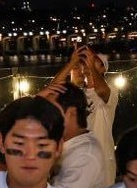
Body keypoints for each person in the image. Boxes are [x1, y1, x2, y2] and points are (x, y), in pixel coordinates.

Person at [50, 45, 118, 179]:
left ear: (103, 68)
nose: (86, 66)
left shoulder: (111, 92)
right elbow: (51, 92)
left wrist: (90, 67)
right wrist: (71, 64)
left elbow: (102, 92)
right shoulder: (74, 95)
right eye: (82, 64)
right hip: (72, 163)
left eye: (94, 62)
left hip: (101, 164)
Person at [41, 81, 110, 188]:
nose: (44, 119)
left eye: (51, 112)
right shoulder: (66, 145)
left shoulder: (86, 154)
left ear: (71, 112)